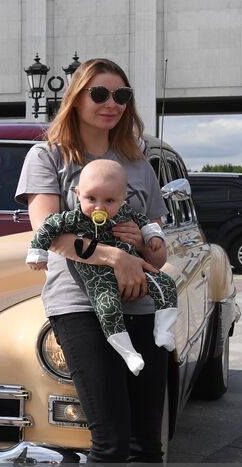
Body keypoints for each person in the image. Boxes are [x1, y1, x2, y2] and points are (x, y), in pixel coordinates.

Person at [15, 57, 193, 467]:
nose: (111, 103)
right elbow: (49, 230)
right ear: (76, 96)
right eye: (99, 93)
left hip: (142, 305)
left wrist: (143, 244)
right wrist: (113, 255)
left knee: (150, 443)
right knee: (110, 439)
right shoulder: (48, 156)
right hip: (78, 307)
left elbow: (158, 247)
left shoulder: (138, 163)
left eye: (121, 93)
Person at [27, 158, 180, 374]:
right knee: (108, 308)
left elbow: (149, 225)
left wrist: (150, 237)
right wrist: (37, 253)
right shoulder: (75, 218)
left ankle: (165, 330)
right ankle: (128, 353)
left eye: (109, 201)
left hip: (138, 284)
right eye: (91, 198)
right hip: (98, 278)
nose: (99, 207)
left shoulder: (126, 213)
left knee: (165, 283)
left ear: (122, 199)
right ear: (78, 194)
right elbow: (48, 227)